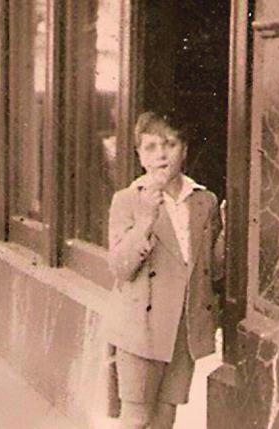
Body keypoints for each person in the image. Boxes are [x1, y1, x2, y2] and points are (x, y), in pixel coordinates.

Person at [105, 111, 225, 429]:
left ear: (184, 150)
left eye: (170, 144)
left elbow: (212, 271)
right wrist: (144, 220)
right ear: (139, 156)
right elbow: (120, 267)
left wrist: (229, 231)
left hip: (183, 330)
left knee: (165, 418)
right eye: (151, 147)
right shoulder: (127, 200)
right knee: (136, 419)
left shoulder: (204, 201)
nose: (161, 154)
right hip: (141, 329)